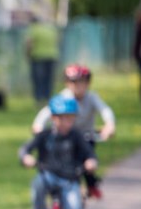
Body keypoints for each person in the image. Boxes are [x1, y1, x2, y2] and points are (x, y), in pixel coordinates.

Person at [19, 95, 97, 209]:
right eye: (62, 119)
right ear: (53, 118)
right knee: (38, 183)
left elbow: (90, 154)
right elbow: (25, 149)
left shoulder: (77, 137)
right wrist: (26, 158)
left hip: (70, 180)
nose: (66, 123)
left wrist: (90, 162)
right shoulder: (45, 136)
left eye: (70, 119)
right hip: (48, 176)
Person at [31, 63, 115, 199]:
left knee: (88, 160)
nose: (77, 86)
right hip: (65, 137)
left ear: (88, 83)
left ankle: (91, 184)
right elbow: (46, 112)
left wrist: (109, 125)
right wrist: (38, 125)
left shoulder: (92, 97)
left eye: (82, 82)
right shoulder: (63, 97)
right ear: (67, 83)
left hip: (86, 136)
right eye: (73, 82)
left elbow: (105, 110)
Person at [24, 14, 60, 103]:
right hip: (52, 56)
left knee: (38, 80)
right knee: (49, 79)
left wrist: (27, 55)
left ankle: (39, 100)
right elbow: (57, 40)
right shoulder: (50, 29)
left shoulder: (33, 29)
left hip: (38, 57)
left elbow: (29, 43)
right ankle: (48, 98)